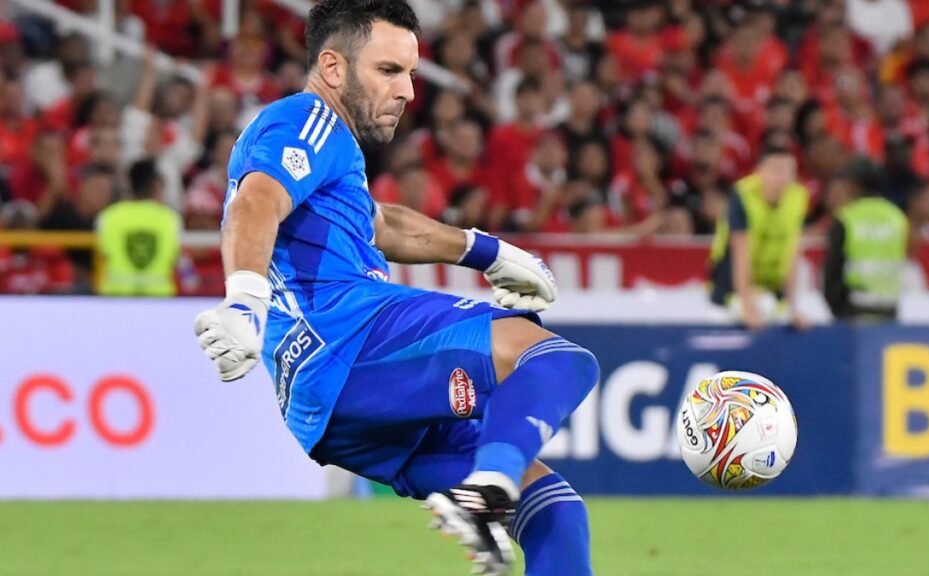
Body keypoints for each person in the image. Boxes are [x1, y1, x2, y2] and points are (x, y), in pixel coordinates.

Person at [192, 3, 599, 576]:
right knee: (556, 360)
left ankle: (489, 490)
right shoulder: (307, 118)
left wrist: (491, 253)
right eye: (389, 71)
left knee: (554, 510)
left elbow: (382, 225)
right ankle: (484, 493)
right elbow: (257, 202)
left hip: (331, 410)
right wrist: (244, 300)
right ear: (333, 67)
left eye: (411, 73)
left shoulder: (332, 151)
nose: (407, 90)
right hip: (349, 338)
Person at [708, 146, 810, 330]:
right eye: (776, 170)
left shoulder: (798, 197)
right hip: (732, 284)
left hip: (771, 284)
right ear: (760, 171)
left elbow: (793, 253)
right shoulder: (743, 196)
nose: (782, 177)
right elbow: (740, 254)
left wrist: (794, 308)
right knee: (758, 310)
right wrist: (747, 306)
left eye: (789, 171)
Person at [823, 161, 908, 320]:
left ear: (854, 185)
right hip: (889, 308)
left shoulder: (846, 218)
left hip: (854, 308)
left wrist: (838, 311)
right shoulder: (897, 218)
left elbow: (832, 272)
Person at [96, 159, 181, 296]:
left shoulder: (108, 217)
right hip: (158, 300)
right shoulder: (170, 219)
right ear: (156, 185)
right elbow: (176, 257)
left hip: (115, 297)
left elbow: (103, 251)